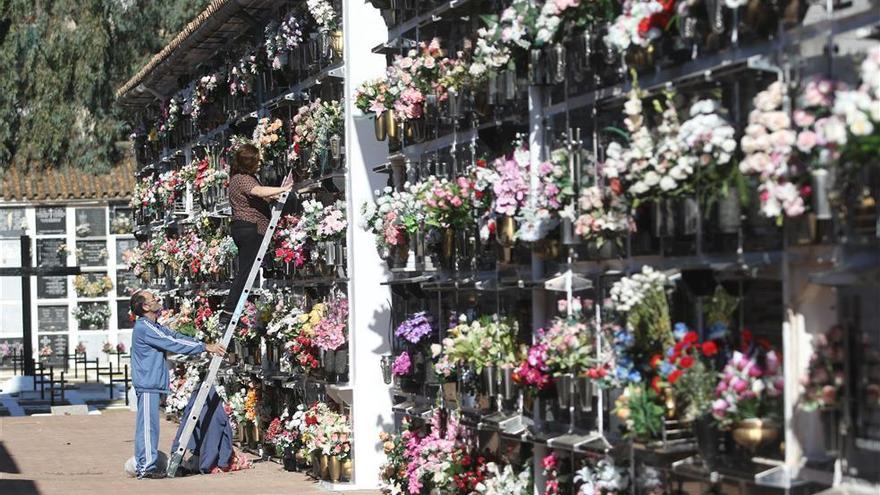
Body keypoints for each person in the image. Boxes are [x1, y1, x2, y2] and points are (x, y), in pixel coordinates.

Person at [130, 289, 226, 479]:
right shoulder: (144, 327)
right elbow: (171, 342)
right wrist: (205, 347)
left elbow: (175, 336)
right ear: (145, 306)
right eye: (153, 299)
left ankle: (145, 464)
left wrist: (202, 344)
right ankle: (146, 467)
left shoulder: (153, 325)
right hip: (148, 383)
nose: (157, 300)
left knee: (149, 426)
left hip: (151, 383)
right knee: (148, 427)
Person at [222, 143, 292, 321]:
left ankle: (230, 310)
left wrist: (273, 195)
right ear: (248, 162)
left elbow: (258, 196)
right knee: (245, 271)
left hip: (246, 227)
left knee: (246, 269)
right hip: (249, 227)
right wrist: (284, 189)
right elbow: (259, 192)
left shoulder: (244, 178)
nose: (260, 162)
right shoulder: (242, 178)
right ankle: (229, 311)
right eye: (256, 160)